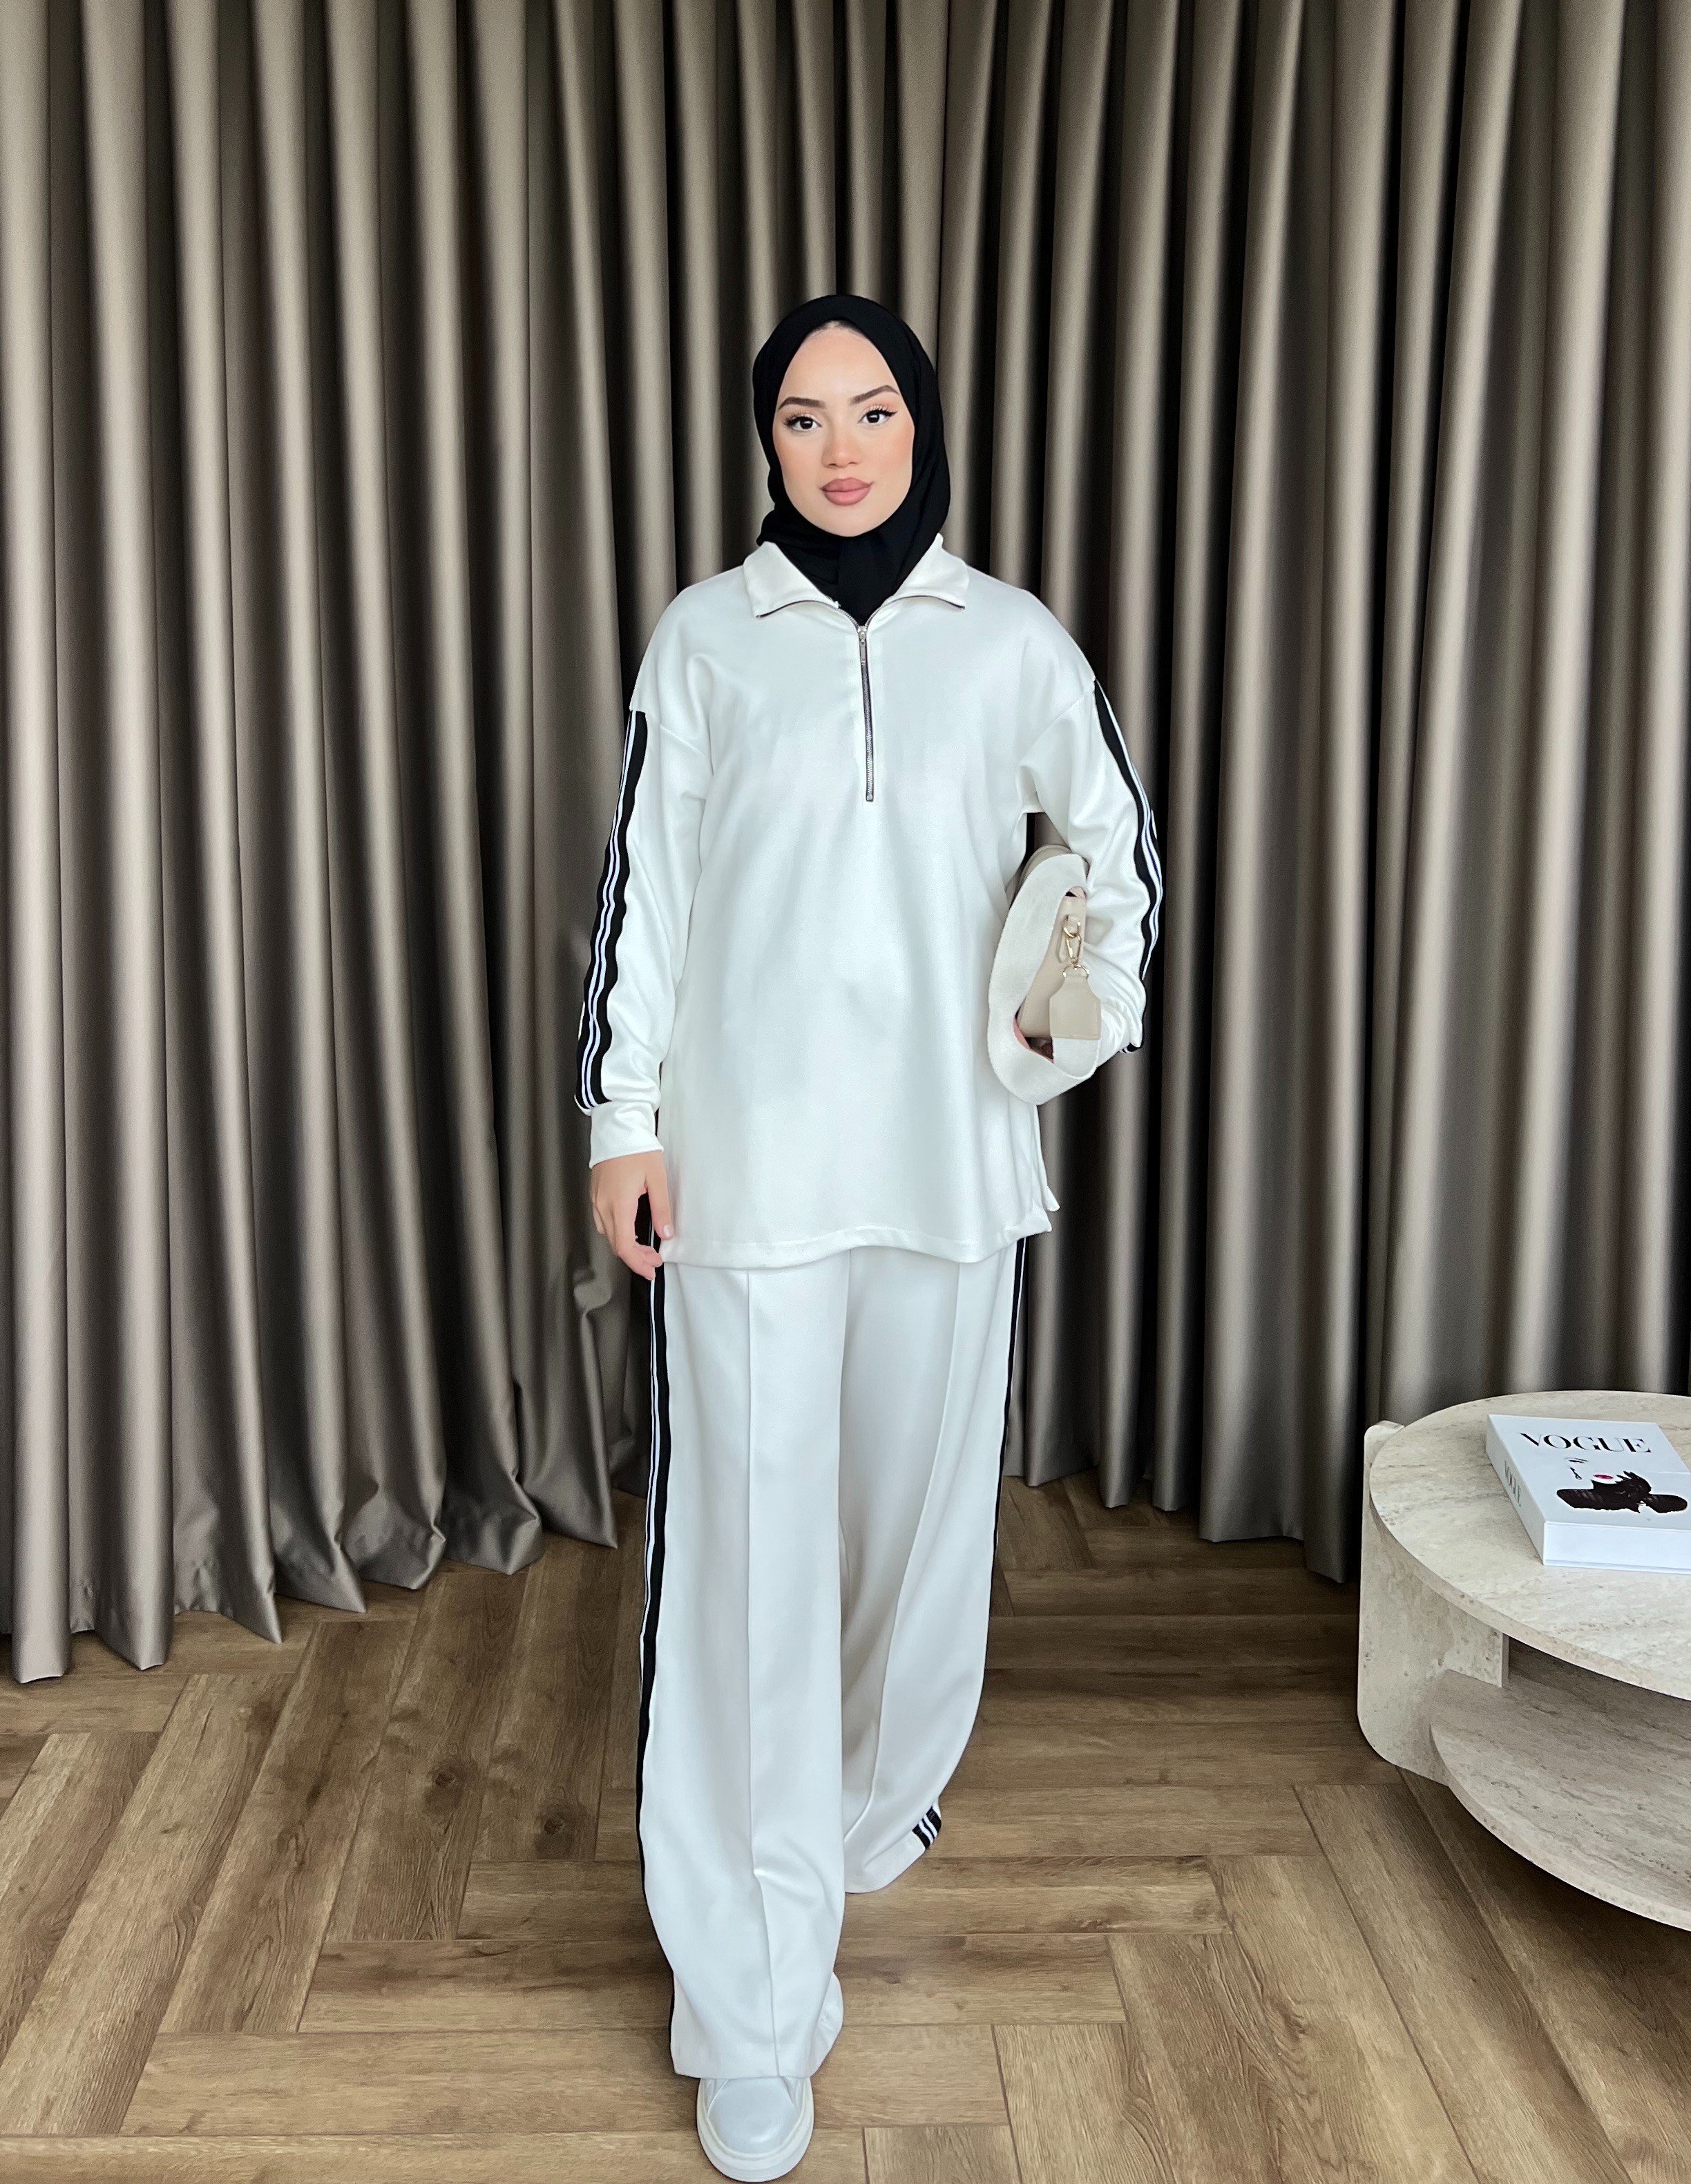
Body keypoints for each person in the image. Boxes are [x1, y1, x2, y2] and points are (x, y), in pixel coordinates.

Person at [573, 292, 1163, 2183]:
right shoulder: (706, 639)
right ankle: (751, 1999)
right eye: (806, 417)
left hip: (950, 1170)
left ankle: (854, 1814)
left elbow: (1119, 854)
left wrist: (1065, 1019)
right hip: (743, 1180)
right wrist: (623, 1121)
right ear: (767, 442)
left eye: (874, 409)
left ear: (922, 424)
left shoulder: (1012, 639)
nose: (841, 448)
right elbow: (646, 895)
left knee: (913, 1548)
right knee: (746, 1580)